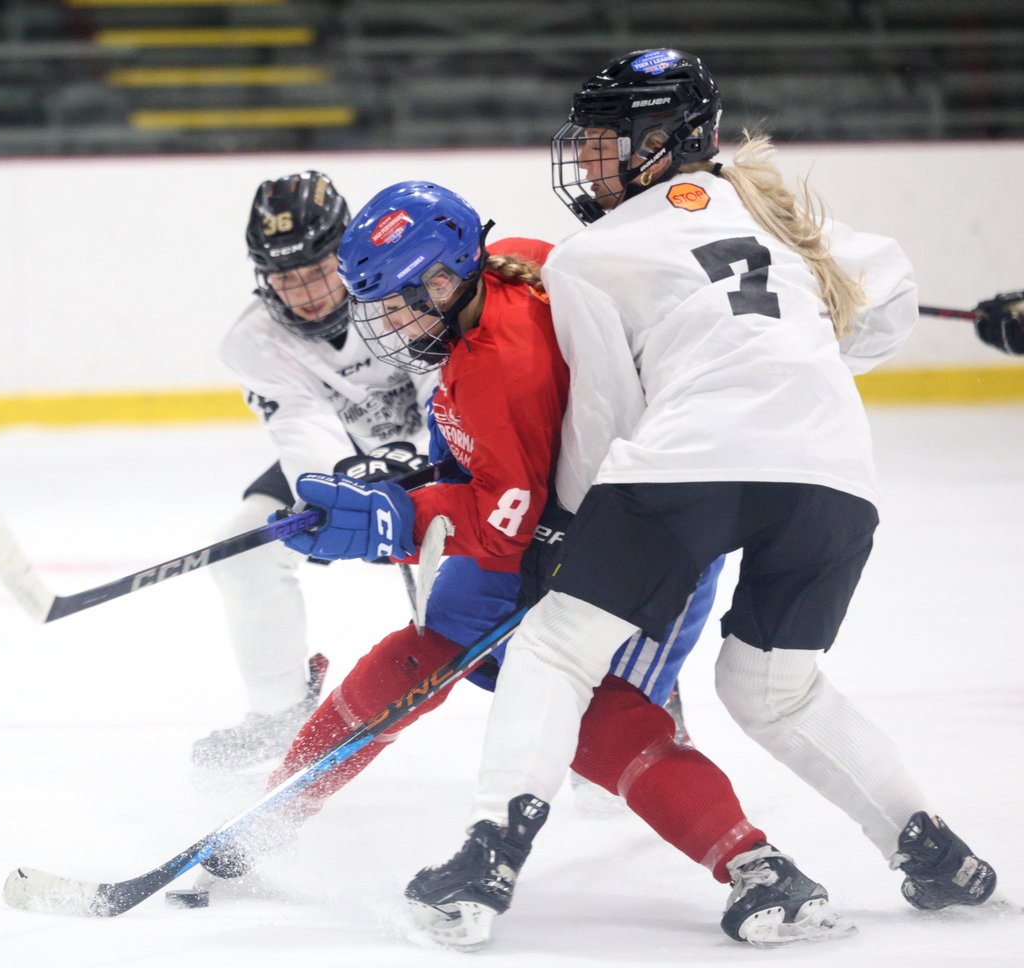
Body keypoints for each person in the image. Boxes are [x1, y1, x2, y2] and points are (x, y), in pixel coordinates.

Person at [406, 47, 998, 947]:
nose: (589, 161)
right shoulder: (773, 214)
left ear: (658, 142)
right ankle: (934, 851)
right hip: (833, 469)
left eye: (604, 143)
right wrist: (792, 361)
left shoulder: (590, 253)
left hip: (691, 461)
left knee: (557, 650)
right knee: (774, 689)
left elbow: (608, 412)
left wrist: (560, 530)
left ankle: (486, 858)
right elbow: (891, 293)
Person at [201, 180, 850, 948]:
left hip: (623, 526)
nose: (384, 325)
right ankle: (271, 817)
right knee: (429, 654)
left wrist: (395, 523)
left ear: (444, 281)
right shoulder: (506, 273)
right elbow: (499, 482)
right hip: (555, 506)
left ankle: (756, 862)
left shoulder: (496, 364)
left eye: (398, 304)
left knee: (582, 711)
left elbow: (504, 522)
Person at [190, 171, 436, 771]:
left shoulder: (407, 286)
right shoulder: (254, 341)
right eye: (285, 277)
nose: (304, 292)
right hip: (348, 459)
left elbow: (451, 386)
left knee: (460, 615)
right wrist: (343, 489)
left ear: (346, 249)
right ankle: (279, 710)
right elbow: (303, 432)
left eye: (318, 270)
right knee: (241, 549)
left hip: (448, 451)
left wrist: (428, 464)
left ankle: (587, 725)